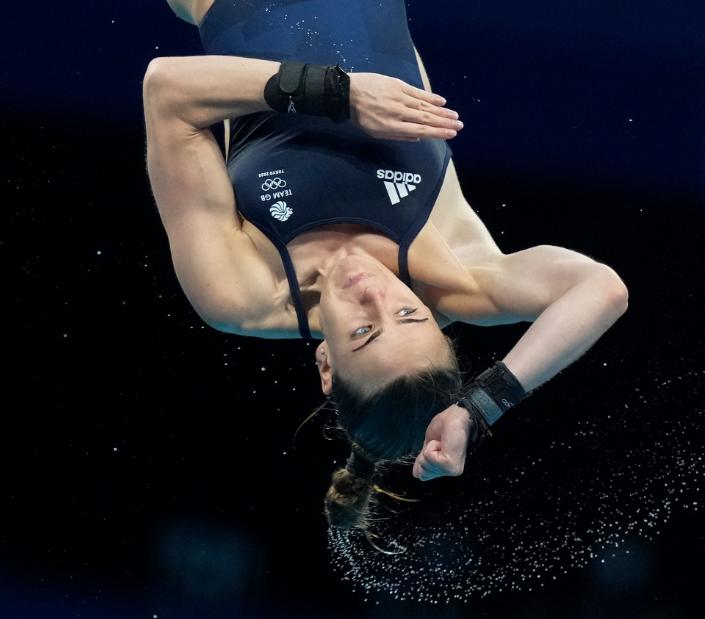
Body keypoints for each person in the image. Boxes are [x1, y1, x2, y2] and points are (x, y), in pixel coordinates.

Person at [145, 0, 629, 535]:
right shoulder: (452, 273)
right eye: (408, 313)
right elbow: (600, 288)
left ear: (326, 364)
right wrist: (480, 407)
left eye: (363, 331)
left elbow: (167, 88)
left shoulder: (243, 293)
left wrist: (338, 92)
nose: (371, 292)